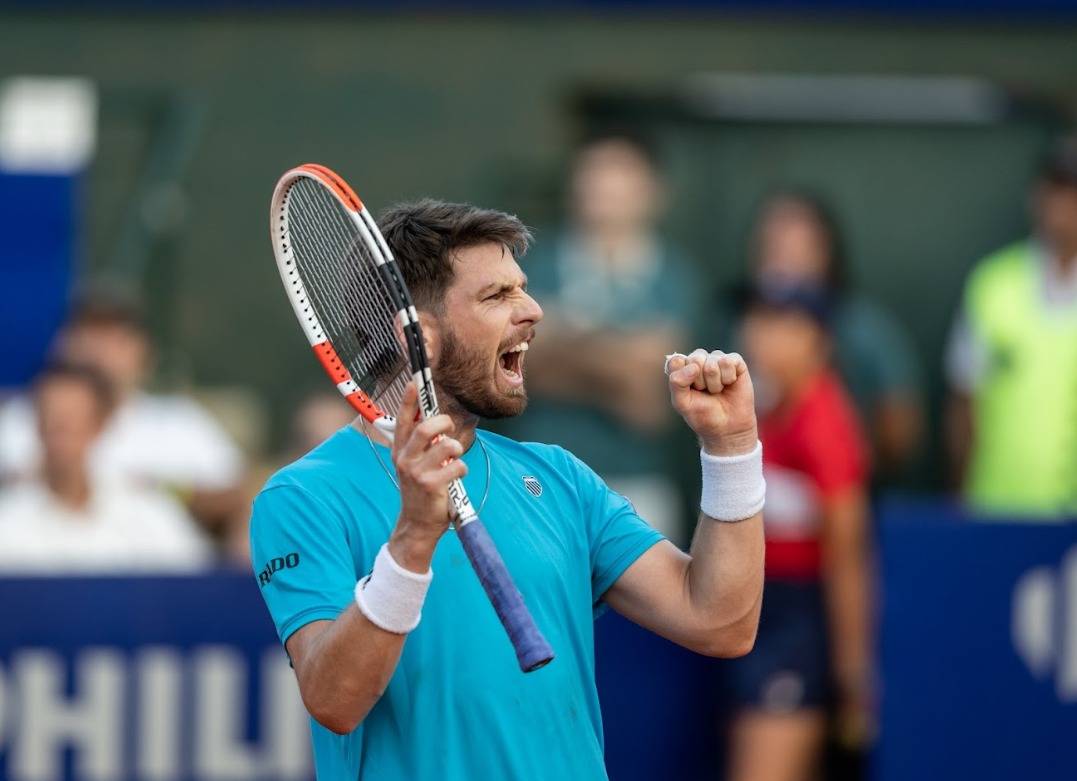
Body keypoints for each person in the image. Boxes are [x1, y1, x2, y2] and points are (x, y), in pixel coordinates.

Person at [249, 201, 765, 779]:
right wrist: (414, 538)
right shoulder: (302, 498)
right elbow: (333, 701)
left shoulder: (560, 478)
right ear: (417, 337)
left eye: (522, 288)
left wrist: (731, 447)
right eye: (497, 296)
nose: (533, 309)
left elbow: (721, 622)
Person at [509, 132, 701, 539]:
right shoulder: (529, 264)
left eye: (619, 174)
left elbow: (648, 401)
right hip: (542, 477)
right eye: (593, 173)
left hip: (639, 484)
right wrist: (623, 361)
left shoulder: (675, 276)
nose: (603, 188)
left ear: (652, 190)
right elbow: (525, 371)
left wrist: (565, 339)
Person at [723, 283, 873, 781]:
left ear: (818, 340)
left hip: (797, 625)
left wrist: (852, 676)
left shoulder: (824, 422)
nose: (759, 334)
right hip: (755, 616)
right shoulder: (761, 410)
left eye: (781, 323)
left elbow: (848, 556)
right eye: (756, 319)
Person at [0, 292, 247, 536]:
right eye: (89, 335)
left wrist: (161, 488)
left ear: (144, 351)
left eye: (116, 340)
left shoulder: (179, 422)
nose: (100, 352)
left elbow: (237, 497)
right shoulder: (19, 419)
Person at [741, 191, 923, 481]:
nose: (783, 263)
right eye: (772, 247)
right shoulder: (742, 321)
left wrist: (848, 462)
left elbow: (900, 427)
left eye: (796, 248)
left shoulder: (863, 328)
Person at [945, 136, 1077, 518]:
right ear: (1037, 196)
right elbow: (963, 402)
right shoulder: (993, 284)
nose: (1064, 207)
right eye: (1057, 190)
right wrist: (960, 497)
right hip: (998, 510)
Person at [0, 363, 212, 573]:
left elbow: (193, 580)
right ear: (37, 424)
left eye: (72, 420)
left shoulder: (149, 513)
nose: (60, 432)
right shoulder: (9, 519)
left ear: (99, 425)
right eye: (51, 419)